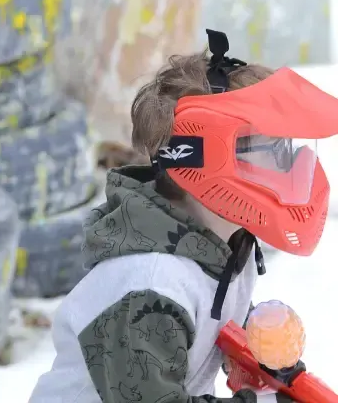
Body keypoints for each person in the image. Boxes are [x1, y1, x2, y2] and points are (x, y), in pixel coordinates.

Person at [28, 29, 338, 403]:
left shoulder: (226, 243)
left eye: (284, 147)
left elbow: (205, 316)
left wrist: (253, 348)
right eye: (269, 148)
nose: (288, 165)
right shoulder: (150, 283)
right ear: (209, 160)